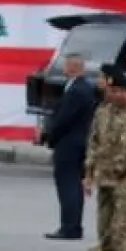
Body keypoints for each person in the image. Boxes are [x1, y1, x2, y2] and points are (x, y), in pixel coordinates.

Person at [83, 65, 126, 251]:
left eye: (115, 91)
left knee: (119, 229)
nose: (111, 95)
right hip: (104, 177)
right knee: (104, 226)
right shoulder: (103, 111)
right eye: (109, 92)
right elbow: (94, 142)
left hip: (123, 178)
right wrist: (88, 173)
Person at [45, 52, 96, 240]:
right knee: (74, 184)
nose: (64, 68)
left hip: (70, 143)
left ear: (73, 67)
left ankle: (69, 227)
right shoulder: (82, 87)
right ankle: (73, 225)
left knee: (68, 185)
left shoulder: (76, 90)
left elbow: (64, 119)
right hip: (78, 142)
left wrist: (51, 136)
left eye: (67, 65)